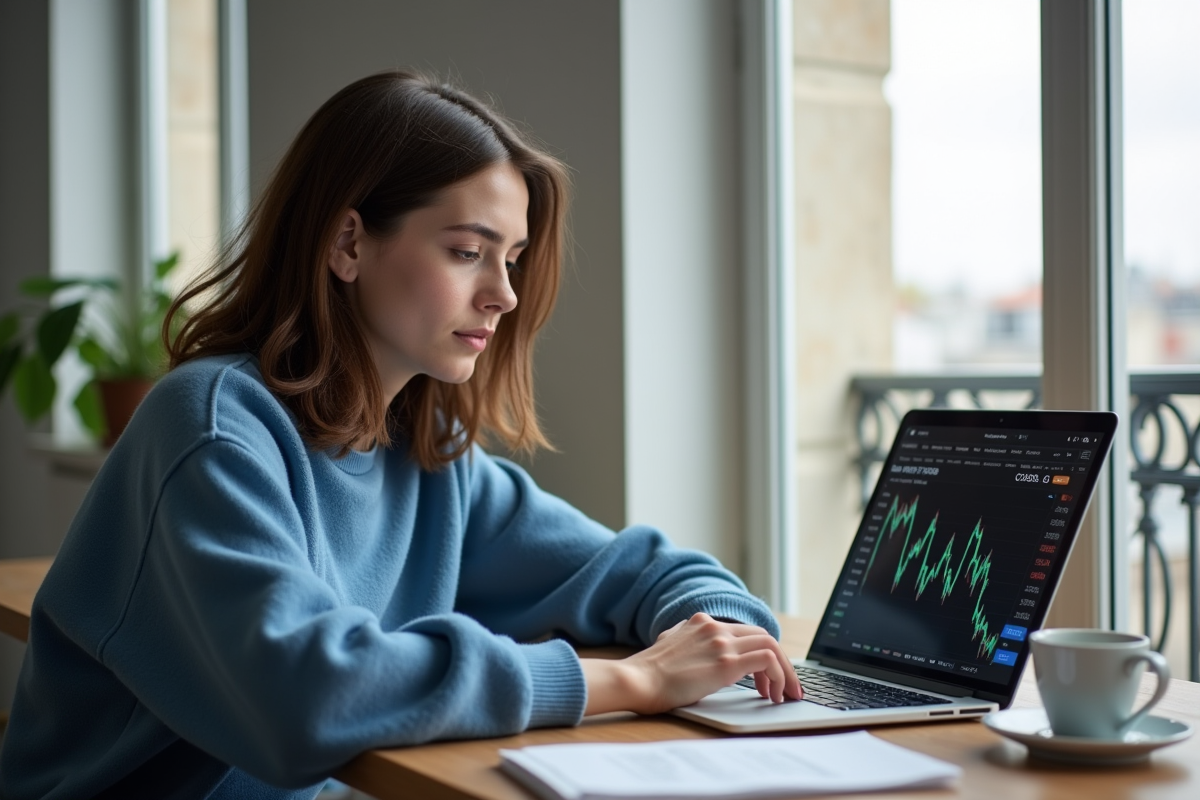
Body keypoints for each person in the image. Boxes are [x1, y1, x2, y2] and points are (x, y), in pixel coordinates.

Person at [0, 71, 801, 800]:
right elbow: (309, 694)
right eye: (467, 252)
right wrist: (632, 683)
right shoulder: (209, 428)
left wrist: (726, 637)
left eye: (513, 260)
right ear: (348, 244)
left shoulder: (426, 454)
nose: (504, 296)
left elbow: (633, 571)